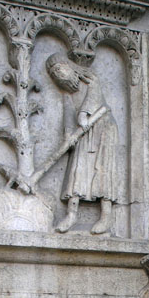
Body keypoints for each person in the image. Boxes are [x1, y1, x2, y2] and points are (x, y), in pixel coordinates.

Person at [46, 52, 118, 235]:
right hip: (84, 133)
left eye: (60, 69)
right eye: (54, 74)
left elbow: (93, 94)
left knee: (102, 171)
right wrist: (68, 136)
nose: (59, 75)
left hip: (102, 128)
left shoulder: (88, 78)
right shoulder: (67, 92)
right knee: (77, 171)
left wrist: (84, 113)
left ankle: (106, 214)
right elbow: (68, 113)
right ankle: (71, 214)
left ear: (68, 66)